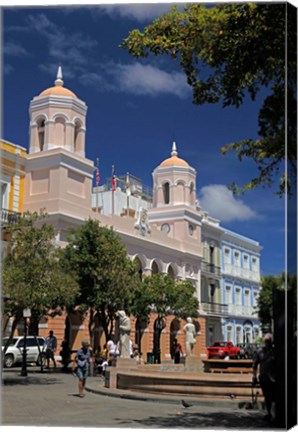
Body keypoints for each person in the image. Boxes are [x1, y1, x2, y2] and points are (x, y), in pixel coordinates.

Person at [252, 333, 276, 421]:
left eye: (268, 341)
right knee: (267, 396)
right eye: (265, 341)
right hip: (264, 378)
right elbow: (255, 365)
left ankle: (274, 414)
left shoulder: (275, 351)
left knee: (274, 396)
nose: (267, 342)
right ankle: (269, 413)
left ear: (271, 341)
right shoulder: (260, 351)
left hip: (274, 378)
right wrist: (254, 376)